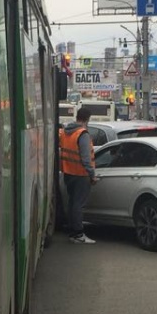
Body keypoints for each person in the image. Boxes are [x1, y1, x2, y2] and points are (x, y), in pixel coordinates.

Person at [59, 105, 98, 244]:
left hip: (68, 173)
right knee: (78, 205)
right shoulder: (82, 134)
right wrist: (92, 175)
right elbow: (86, 158)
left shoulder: (66, 132)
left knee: (72, 203)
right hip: (80, 174)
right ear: (87, 119)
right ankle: (78, 234)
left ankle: (72, 232)